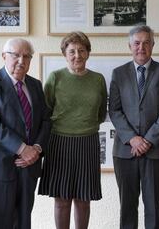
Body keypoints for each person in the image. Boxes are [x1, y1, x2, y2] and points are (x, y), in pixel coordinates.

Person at [0, 38, 51, 229]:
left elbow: (45, 120)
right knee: (1, 220)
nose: (21, 60)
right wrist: (21, 148)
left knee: (24, 219)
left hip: (30, 165)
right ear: (4, 56)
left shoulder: (35, 85)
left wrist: (36, 149)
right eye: (15, 55)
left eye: (26, 56)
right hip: (1, 165)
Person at [38, 31, 107, 229]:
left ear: (88, 53)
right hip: (59, 143)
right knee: (61, 199)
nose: (77, 55)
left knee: (84, 199)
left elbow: (101, 113)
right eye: (72, 51)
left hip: (88, 142)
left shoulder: (98, 80)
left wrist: (84, 125)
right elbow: (46, 111)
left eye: (82, 50)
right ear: (64, 54)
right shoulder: (55, 77)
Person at [109, 25, 159, 229]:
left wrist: (147, 140)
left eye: (146, 42)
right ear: (130, 46)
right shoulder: (118, 74)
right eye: (137, 43)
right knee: (127, 206)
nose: (141, 47)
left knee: (153, 206)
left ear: (153, 45)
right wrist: (133, 139)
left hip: (155, 151)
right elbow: (114, 110)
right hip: (125, 151)